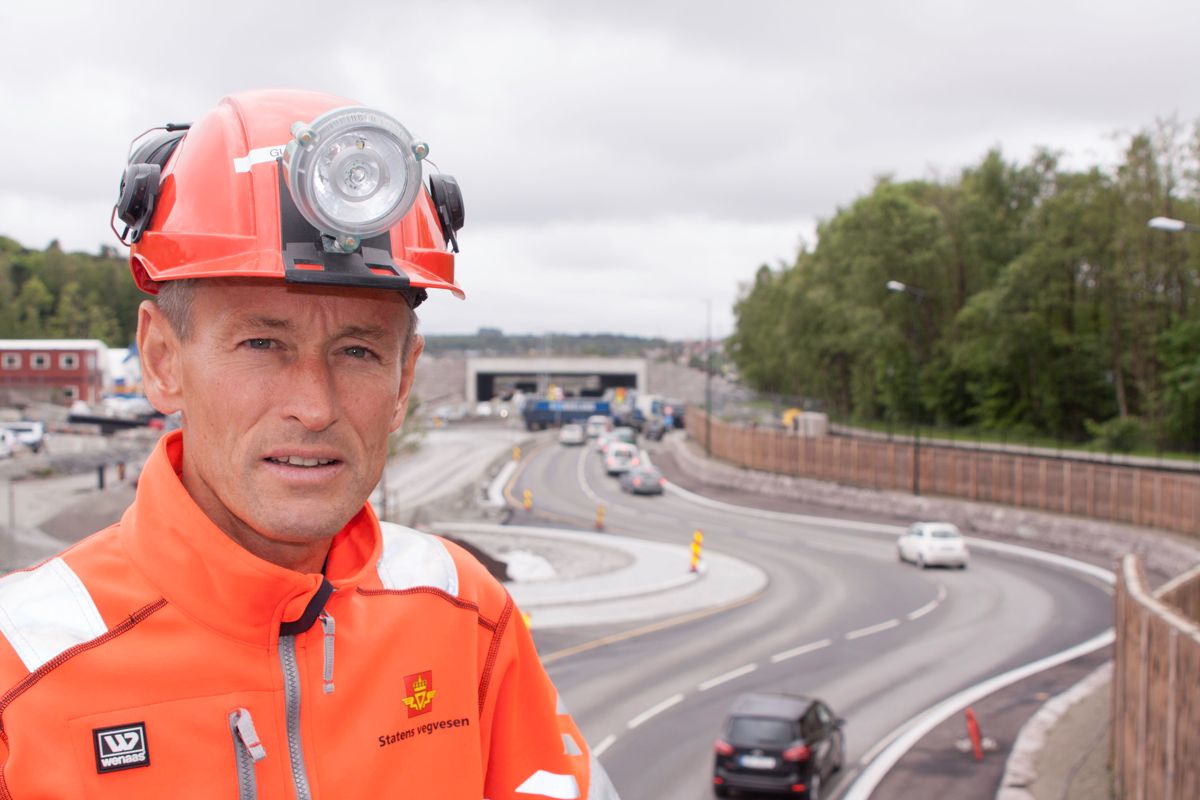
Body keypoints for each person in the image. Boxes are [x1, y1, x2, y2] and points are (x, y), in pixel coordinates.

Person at [0, 89, 618, 799]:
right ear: (162, 360)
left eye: (357, 351)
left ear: (403, 378)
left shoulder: (463, 616)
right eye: (262, 343)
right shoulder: (25, 664)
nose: (315, 407)